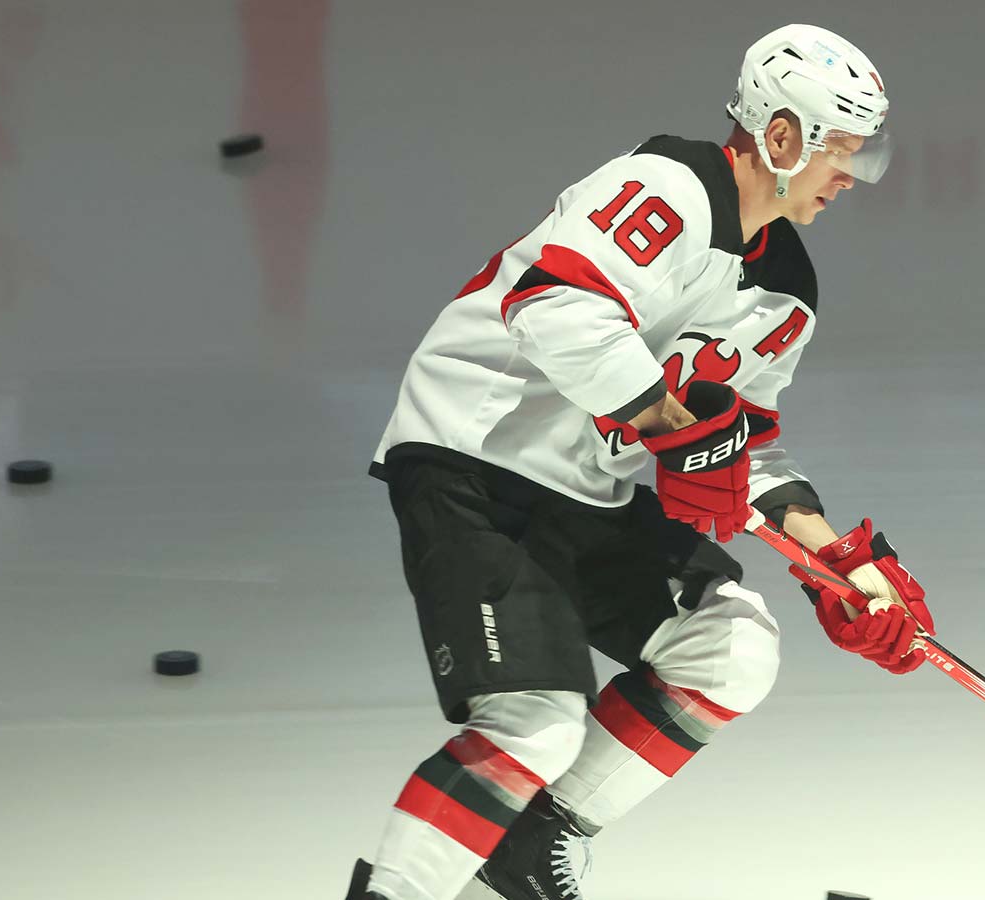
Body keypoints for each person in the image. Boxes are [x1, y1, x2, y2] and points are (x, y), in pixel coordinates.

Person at [346, 23, 935, 900]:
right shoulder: (664, 188)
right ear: (781, 138)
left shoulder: (788, 289)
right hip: (477, 457)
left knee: (731, 646)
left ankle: (519, 858)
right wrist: (670, 427)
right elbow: (554, 306)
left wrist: (840, 565)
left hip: (586, 485)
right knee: (533, 722)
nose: (852, 174)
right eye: (841, 150)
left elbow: (745, 439)